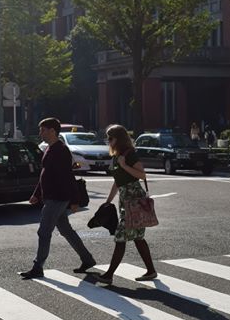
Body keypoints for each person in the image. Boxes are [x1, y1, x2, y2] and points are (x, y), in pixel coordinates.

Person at [19, 117, 96, 280]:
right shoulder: (50, 148)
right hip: (51, 197)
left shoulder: (61, 150)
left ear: (53, 131)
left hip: (58, 198)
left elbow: (68, 176)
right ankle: (87, 259)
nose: (40, 133)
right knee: (66, 230)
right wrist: (37, 194)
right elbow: (44, 174)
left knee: (44, 231)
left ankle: (37, 267)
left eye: (43, 130)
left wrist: (75, 200)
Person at [96, 124, 157, 285]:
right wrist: (107, 202)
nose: (108, 141)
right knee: (137, 237)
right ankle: (151, 271)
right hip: (125, 198)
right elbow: (117, 182)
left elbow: (142, 174)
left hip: (134, 198)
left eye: (110, 138)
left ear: (119, 139)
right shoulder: (116, 156)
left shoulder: (129, 155)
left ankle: (108, 275)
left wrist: (124, 165)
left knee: (120, 236)